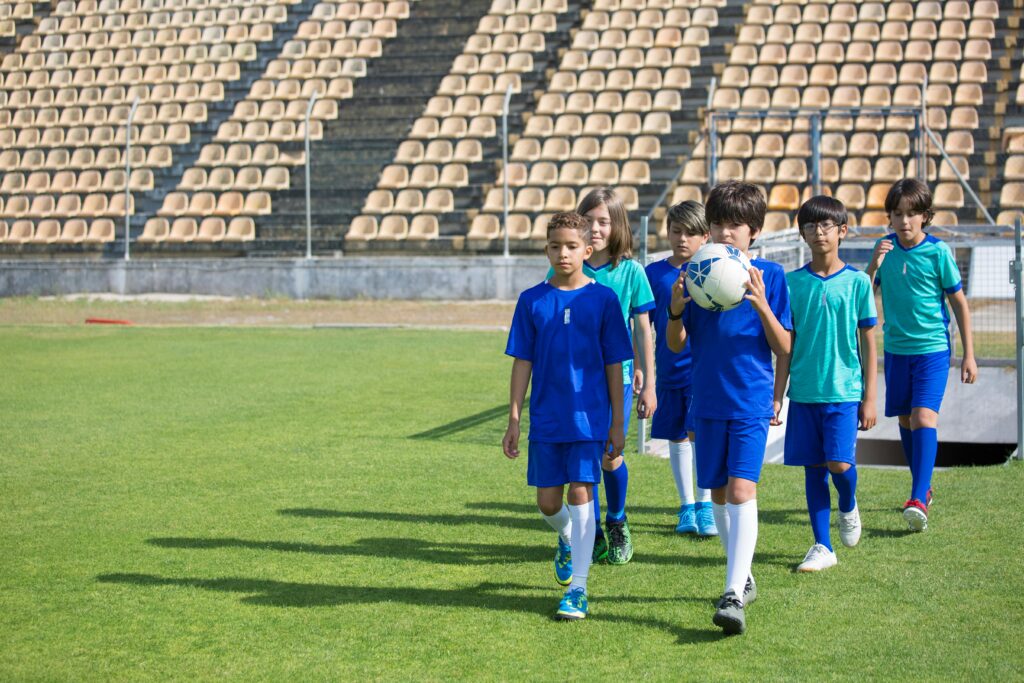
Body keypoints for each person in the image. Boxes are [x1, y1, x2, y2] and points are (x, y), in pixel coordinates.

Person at [666, 180, 792, 636]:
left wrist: (761, 305)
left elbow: (784, 347)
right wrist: (677, 310)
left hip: (750, 401)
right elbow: (677, 344)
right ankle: (742, 574)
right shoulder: (698, 274)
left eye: (734, 225)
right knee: (717, 494)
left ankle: (733, 594)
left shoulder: (771, 278)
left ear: (754, 231)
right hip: (707, 400)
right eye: (717, 223)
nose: (724, 232)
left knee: (741, 491)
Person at [503, 211, 634, 620]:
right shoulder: (531, 300)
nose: (563, 253)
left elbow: (615, 363)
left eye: (572, 246)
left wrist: (616, 421)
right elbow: (522, 361)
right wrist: (513, 418)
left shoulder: (604, 300)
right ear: (546, 250)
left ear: (588, 250)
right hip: (546, 419)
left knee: (581, 494)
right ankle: (566, 536)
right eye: (555, 246)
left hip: (589, 420)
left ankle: (578, 588)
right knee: (547, 503)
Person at [547, 188, 656, 565]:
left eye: (603, 221)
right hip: (574, 383)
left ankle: (617, 520)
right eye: (589, 220)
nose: (595, 228)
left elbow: (642, 329)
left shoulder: (630, 272)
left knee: (611, 453)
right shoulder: (566, 267)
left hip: (617, 379)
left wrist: (648, 378)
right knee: (583, 458)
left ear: (617, 227)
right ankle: (587, 532)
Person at [772, 196, 878, 572]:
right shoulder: (791, 283)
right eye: (811, 226)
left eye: (827, 226)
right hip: (804, 393)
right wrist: (778, 397)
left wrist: (869, 396)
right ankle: (822, 545)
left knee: (838, 462)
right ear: (802, 234)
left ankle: (848, 505)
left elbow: (868, 341)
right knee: (813, 468)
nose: (819, 232)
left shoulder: (857, 283)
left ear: (842, 231)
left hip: (844, 393)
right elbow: (786, 346)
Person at [865, 178, 977, 532]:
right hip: (896, 351)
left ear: (925, 217)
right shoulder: (883, 250)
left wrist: (969, 355)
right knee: (904, 421)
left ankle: (916, 498)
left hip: (932, 350)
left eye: (912, 214)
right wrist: (872, 266)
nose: (904, 221)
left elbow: (959, 302)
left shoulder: (938, 252)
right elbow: (862, 299)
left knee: (923, 418)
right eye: (897, 214)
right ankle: (922, 488)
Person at [644, 201, 717, 536]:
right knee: (676, 437)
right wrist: (644, 368)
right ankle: (686, 505)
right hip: (668, 367)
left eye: (691, 233)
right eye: (677, 231)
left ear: (705, 236)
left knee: (698, 433)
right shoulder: (654, 273)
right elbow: (643, 324)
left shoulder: (715, 272)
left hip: (703, 370)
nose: (682, 239)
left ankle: (705, 505)